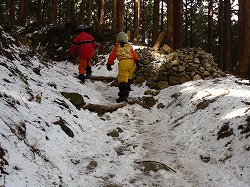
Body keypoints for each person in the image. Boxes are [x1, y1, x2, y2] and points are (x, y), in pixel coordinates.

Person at [107, 32, 142, 103]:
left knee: (123, 80)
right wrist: (138, 61)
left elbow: (112, 56)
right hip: (132, 63)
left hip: (123, 63)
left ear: (118, 39)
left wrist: (109, 63)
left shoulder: (117, 47)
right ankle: (127, 92)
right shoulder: (129, 46)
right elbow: (134, 54)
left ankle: (123, 96)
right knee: (128, 78)